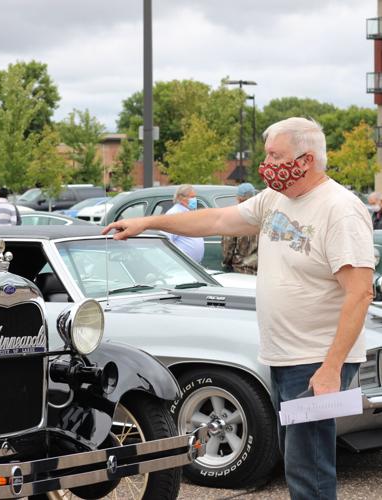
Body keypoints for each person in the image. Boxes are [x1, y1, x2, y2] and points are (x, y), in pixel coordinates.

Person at [103, 117, 374, 500]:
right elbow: (216, 219)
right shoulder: (274, 199)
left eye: (275, 155)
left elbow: (359, 292)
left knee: (309, 468)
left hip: (316, 361)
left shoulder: (339, 209)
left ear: (307, 159)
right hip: (285, 357)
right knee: (298, 462)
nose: (266, 163)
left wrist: (331, 368)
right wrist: (148, 221)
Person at [221, 182, 259, 275]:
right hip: (261, 271)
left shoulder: (233, 217)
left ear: (239, 198)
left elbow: (228, 247)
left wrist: (226, 264)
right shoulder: (263, 216)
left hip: (241, 270)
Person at [164, 184, 204, 262]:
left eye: (195, 197)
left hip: (192, 265)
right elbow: (167, 240)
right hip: (181, 264)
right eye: (192, 197)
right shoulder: (174, 214)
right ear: (180, 198)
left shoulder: (190, 213)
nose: (194, 200)